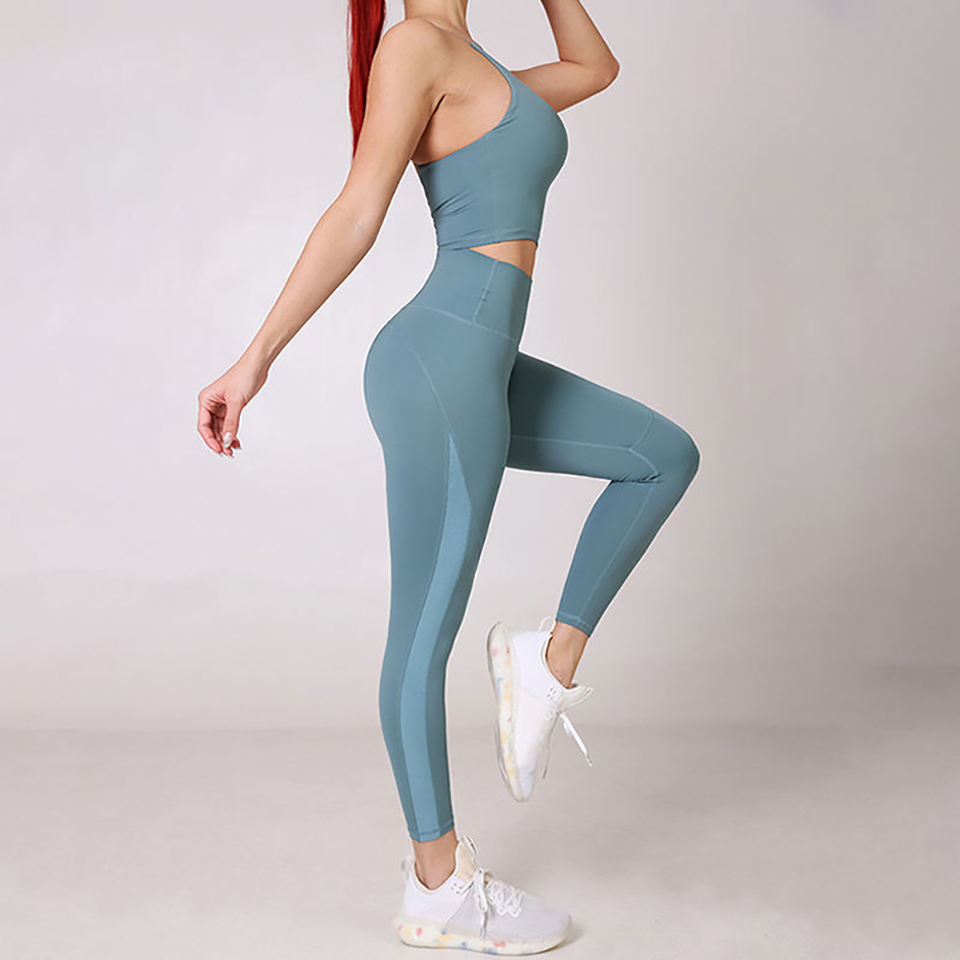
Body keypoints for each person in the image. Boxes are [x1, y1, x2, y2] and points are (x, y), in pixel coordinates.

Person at [197, 1, 700, 953]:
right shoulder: (416, 46)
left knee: (661, 457)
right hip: (440, 364)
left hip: (483, 363)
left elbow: (593, 68)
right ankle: (438, 884)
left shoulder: (480, 69)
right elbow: (358, 209)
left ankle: (545, 663)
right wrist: (255, 358)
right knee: (425, 630)